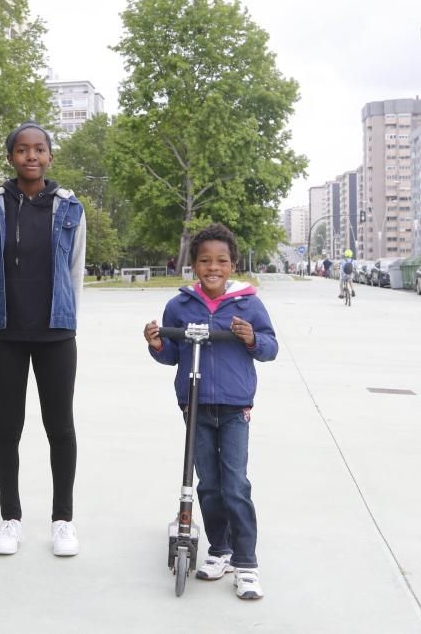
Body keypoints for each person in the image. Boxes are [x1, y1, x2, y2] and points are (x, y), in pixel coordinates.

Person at [142, 224, 278, 600]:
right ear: (194, 264)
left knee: (235, 485)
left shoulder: (248, 303)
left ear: (232, 264)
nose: (212, 267)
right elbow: (171, 355)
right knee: (208, 485)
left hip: (234, 408)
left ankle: (246, 563)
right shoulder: (181, 305)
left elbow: (269, 347)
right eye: (205, 261)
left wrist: (251, 337)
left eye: (221, 260)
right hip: (196, 405)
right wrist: (157, 342)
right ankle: (220, 549)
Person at [0, 122, 86, 557]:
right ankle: (10, 519)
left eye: (39, 149)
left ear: (50, 156)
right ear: (11, 157)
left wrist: (68, 319)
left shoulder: (70, 208)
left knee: (60, 427)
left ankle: (63, 521)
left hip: (56, 334)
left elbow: (75, 270)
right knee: (7, 427)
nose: (31, 157)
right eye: (22, 150)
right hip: (5, 333)